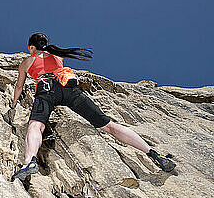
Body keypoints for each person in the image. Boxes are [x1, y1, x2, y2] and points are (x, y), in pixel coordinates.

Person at [9, 33, 176, 181]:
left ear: (31, 47)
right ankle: (153, 154)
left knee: (36, 126)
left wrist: (14, 103)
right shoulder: (57, 55)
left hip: (45, 89)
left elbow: (19, 87)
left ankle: (29, 161)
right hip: (69, 88)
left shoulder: (26, 62)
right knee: (108, 126)